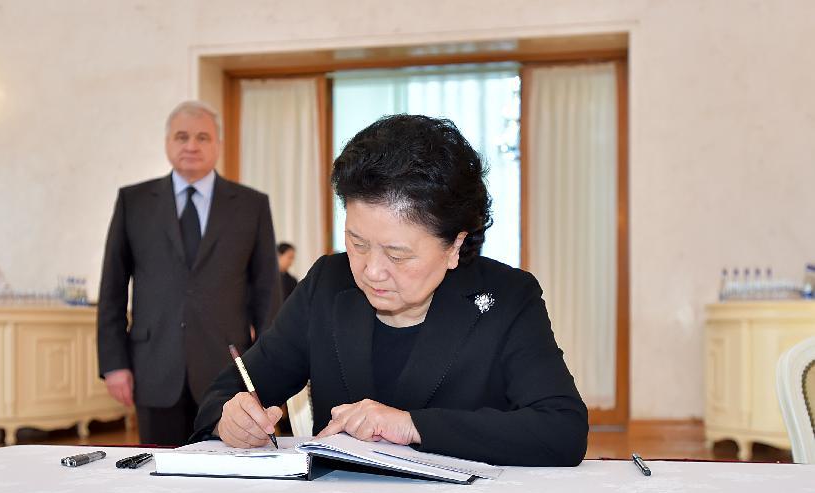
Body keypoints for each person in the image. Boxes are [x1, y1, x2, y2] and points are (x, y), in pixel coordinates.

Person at [194, 114, 588, 466]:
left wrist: (412, 426)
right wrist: (230, 417)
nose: (371, 271)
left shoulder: (506, 297)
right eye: (357, 243)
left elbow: (561, 430)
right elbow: (232, 388)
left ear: (454, 245)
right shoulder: (328, 285)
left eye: (397, 255)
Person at [97, 100, 282, 446]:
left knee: (226, 470)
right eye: (182, 137)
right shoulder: (133, 202)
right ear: (168, 143)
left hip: (226, 368)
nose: (191, 146)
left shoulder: (251, 205)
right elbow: (112, 287)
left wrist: (270, 368)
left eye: (203, 137)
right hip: (153, 365)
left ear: (218, 145)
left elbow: (266, 290)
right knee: (159, 470)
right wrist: (114, 363)